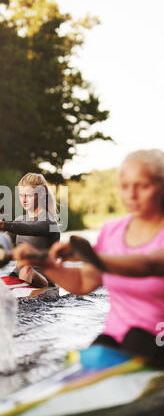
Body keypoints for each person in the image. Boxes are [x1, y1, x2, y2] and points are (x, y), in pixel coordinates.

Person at [13, 150, 164, 365]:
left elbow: (148, 264)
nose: (132, 194)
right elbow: (83, 282)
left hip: (155, 337)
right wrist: (45, 263)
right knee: (100, 348)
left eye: (143, 186)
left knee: (137, 338)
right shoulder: (111, 231)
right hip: (114, 339)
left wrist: (90, 256)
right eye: (125, 186)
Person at [0, 173, 60, 287]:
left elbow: (31, 229)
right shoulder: (19, 220)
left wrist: (0, 223)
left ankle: (20, 299)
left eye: (29, 195)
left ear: (41, 194)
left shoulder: (49, 222)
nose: (24, 200)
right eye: (21, 195)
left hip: (44, 282)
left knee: (26, 268)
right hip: (16, 278)